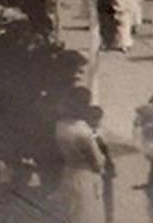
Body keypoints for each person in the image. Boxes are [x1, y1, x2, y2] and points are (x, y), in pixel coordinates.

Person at [49, 89, 106, 223]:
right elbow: (97, 163)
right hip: (84, 179)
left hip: (68, 173)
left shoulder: (60, 126)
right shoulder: (82, 132)